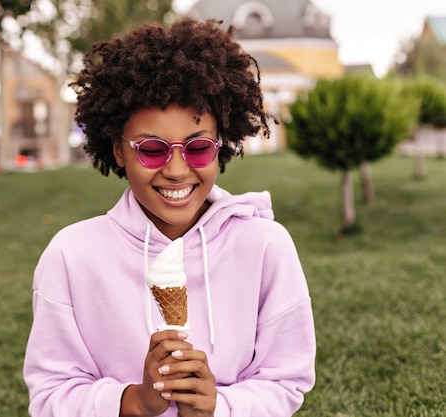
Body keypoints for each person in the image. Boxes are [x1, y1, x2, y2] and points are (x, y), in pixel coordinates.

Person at [23, 18, 316, 417]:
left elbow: (286, 380)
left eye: (197, 148)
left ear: (221, 144)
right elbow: (51, 395)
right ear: (119, 150)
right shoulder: (71, 256)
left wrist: (222, 407)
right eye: (152, 149)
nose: (177, 170)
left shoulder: (266, 245)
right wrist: (134, 402)